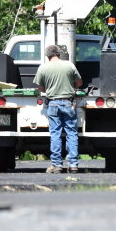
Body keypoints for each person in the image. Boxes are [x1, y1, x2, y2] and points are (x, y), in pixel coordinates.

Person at [34, 44, 82, 173]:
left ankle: (57, 165)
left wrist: (50, 88)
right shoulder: (69, 65)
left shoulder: (43, 68)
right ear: (59, 54)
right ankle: (73, 165)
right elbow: (79, 83)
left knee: (55, 134)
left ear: (47, 56)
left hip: (53, 104)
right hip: (68, 103)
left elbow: (40, 88)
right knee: (72, 134)